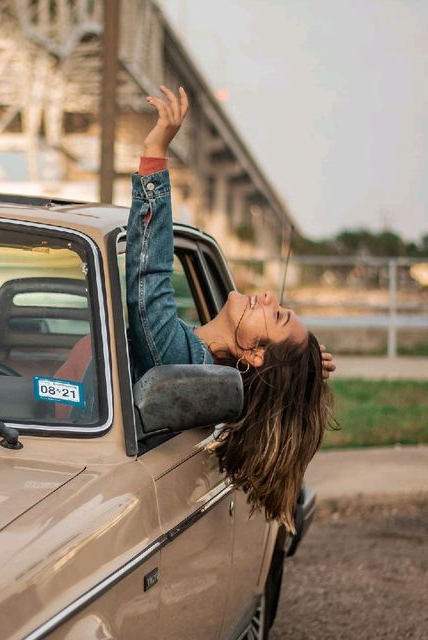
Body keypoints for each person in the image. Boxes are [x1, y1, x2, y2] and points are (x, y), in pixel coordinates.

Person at [127, 86, 335, 532]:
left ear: (257, 356)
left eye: (277, 315)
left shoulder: (177, 363)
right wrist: (303, 366)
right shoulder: (190, 355)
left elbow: (149, 284)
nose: (268, 297)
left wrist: (155, 153)